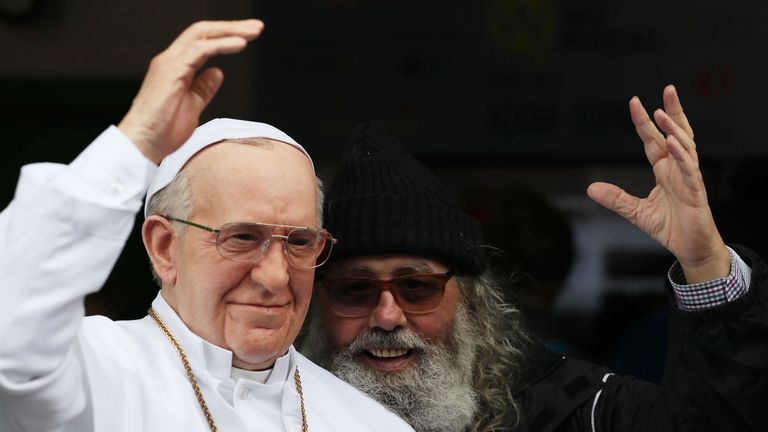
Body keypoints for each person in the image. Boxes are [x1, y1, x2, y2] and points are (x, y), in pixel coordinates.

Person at [0, 20, 413, 432]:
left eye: (300, 242)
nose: (276, 277)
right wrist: (138, 137)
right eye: (243, 238)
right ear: (164, 247)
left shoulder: (371, 424)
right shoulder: (90, 370)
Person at [299, 86, 768, 431]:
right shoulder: (262, 411)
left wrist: (703, 261)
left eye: (416, 287)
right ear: (315, 304)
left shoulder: (563, 409)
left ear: (469, 303)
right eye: (355, 290)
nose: (386, 316)